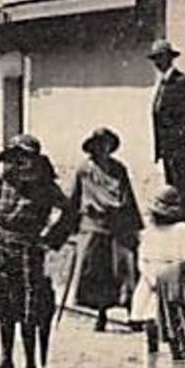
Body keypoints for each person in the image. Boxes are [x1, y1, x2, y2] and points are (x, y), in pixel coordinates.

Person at [0, 134, 74, 368]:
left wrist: (50, 238)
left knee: (30, 307)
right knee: (3, 305)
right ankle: (5, 359)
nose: (20, 163)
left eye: (24, 157)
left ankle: (30, 364)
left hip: (29, 250)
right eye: (16, 158)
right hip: (1, 249)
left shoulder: (46, 186)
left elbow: (69, 212)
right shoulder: (3, 181)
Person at [130, 186, 185, 368]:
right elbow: (142, 259)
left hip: (174, 286)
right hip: (151, 285)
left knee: (176, 333)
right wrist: (150, 278)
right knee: (150, 332)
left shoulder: (182, 230)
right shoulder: (148, 233)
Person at [67, 127, 142, 331]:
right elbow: (75, 198)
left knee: (126, 271)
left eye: (107, 144)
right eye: (99, 144)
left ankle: (132, 314)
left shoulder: (119, 169)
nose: (103, 148)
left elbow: (128, 196)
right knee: (97, 273)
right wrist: (68, 226)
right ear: (93, 147)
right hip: (94, 226)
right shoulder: (85, 170)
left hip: (119, 226)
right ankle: (100, 316)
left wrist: (134, 226)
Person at [148, 39, 185, 221]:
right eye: (155, 59)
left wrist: (182, 142)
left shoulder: (181, 82)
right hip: (167, 148)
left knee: (183, 185)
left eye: (160, 58)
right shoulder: (163, 83)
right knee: (172, 185)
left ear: (169, 59)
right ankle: (174, 218)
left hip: (179, 147)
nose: (157, 62)